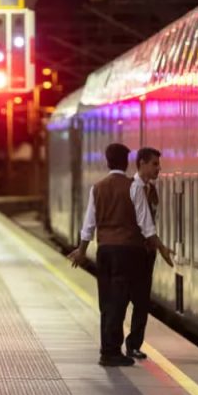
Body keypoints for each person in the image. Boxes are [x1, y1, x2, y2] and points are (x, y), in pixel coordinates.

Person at [67, 143, 173, 367]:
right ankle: (112, 352)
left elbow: (89, 225)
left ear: (107, 161)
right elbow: (146, 226)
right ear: (126, 162)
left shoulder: (97, 187)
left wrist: (82, 250)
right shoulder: (133, 187)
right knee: (120, 301)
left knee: (107, 302)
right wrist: (162, 248)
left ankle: (108, 348)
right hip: (127, 252)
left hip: (104, 251)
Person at [126, 147, 162, 359]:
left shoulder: (152, 190)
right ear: (141, 164)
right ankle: (120, 343)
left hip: (146, 252)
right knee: (127, 298)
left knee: (141, 300)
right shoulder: (133, 189)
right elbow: (141, 223)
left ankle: (134, 344)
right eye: (154, 164)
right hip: (133, 251)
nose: (158, 168)